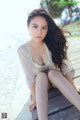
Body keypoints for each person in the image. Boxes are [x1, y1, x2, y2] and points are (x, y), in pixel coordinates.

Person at [17, 9, 80, 120]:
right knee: (40, 76)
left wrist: (73, 86)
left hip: (57, 79)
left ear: (47, 29)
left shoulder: (50, 42)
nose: (39, 32)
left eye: (44, 28)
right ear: (28, 26)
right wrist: (34, 99)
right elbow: (29, 77)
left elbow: (64, 65)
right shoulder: (22, 50)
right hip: (41, 85)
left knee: (53, 73)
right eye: (35, 26)